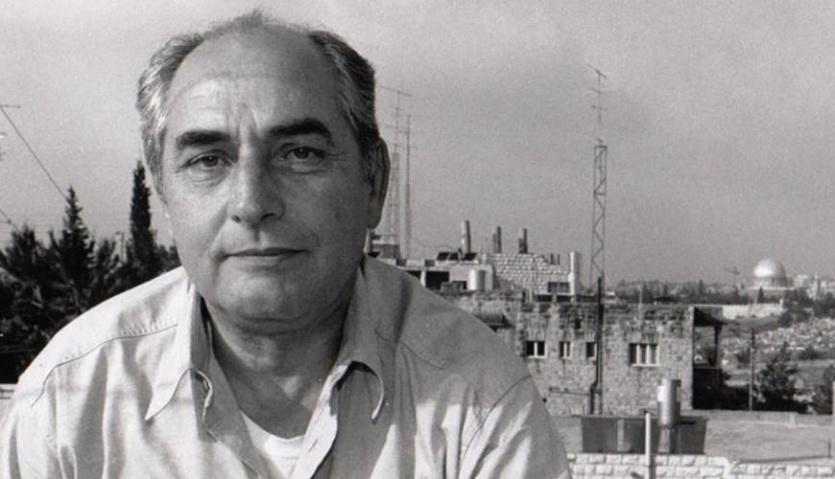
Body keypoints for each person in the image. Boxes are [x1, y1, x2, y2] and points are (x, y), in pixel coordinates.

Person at [0, 10, 569, 478]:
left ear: (373, 183)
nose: (252, 202)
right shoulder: (70, 401)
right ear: (164, 196)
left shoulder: (479, 404)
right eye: (208, 160)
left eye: (299, 154)